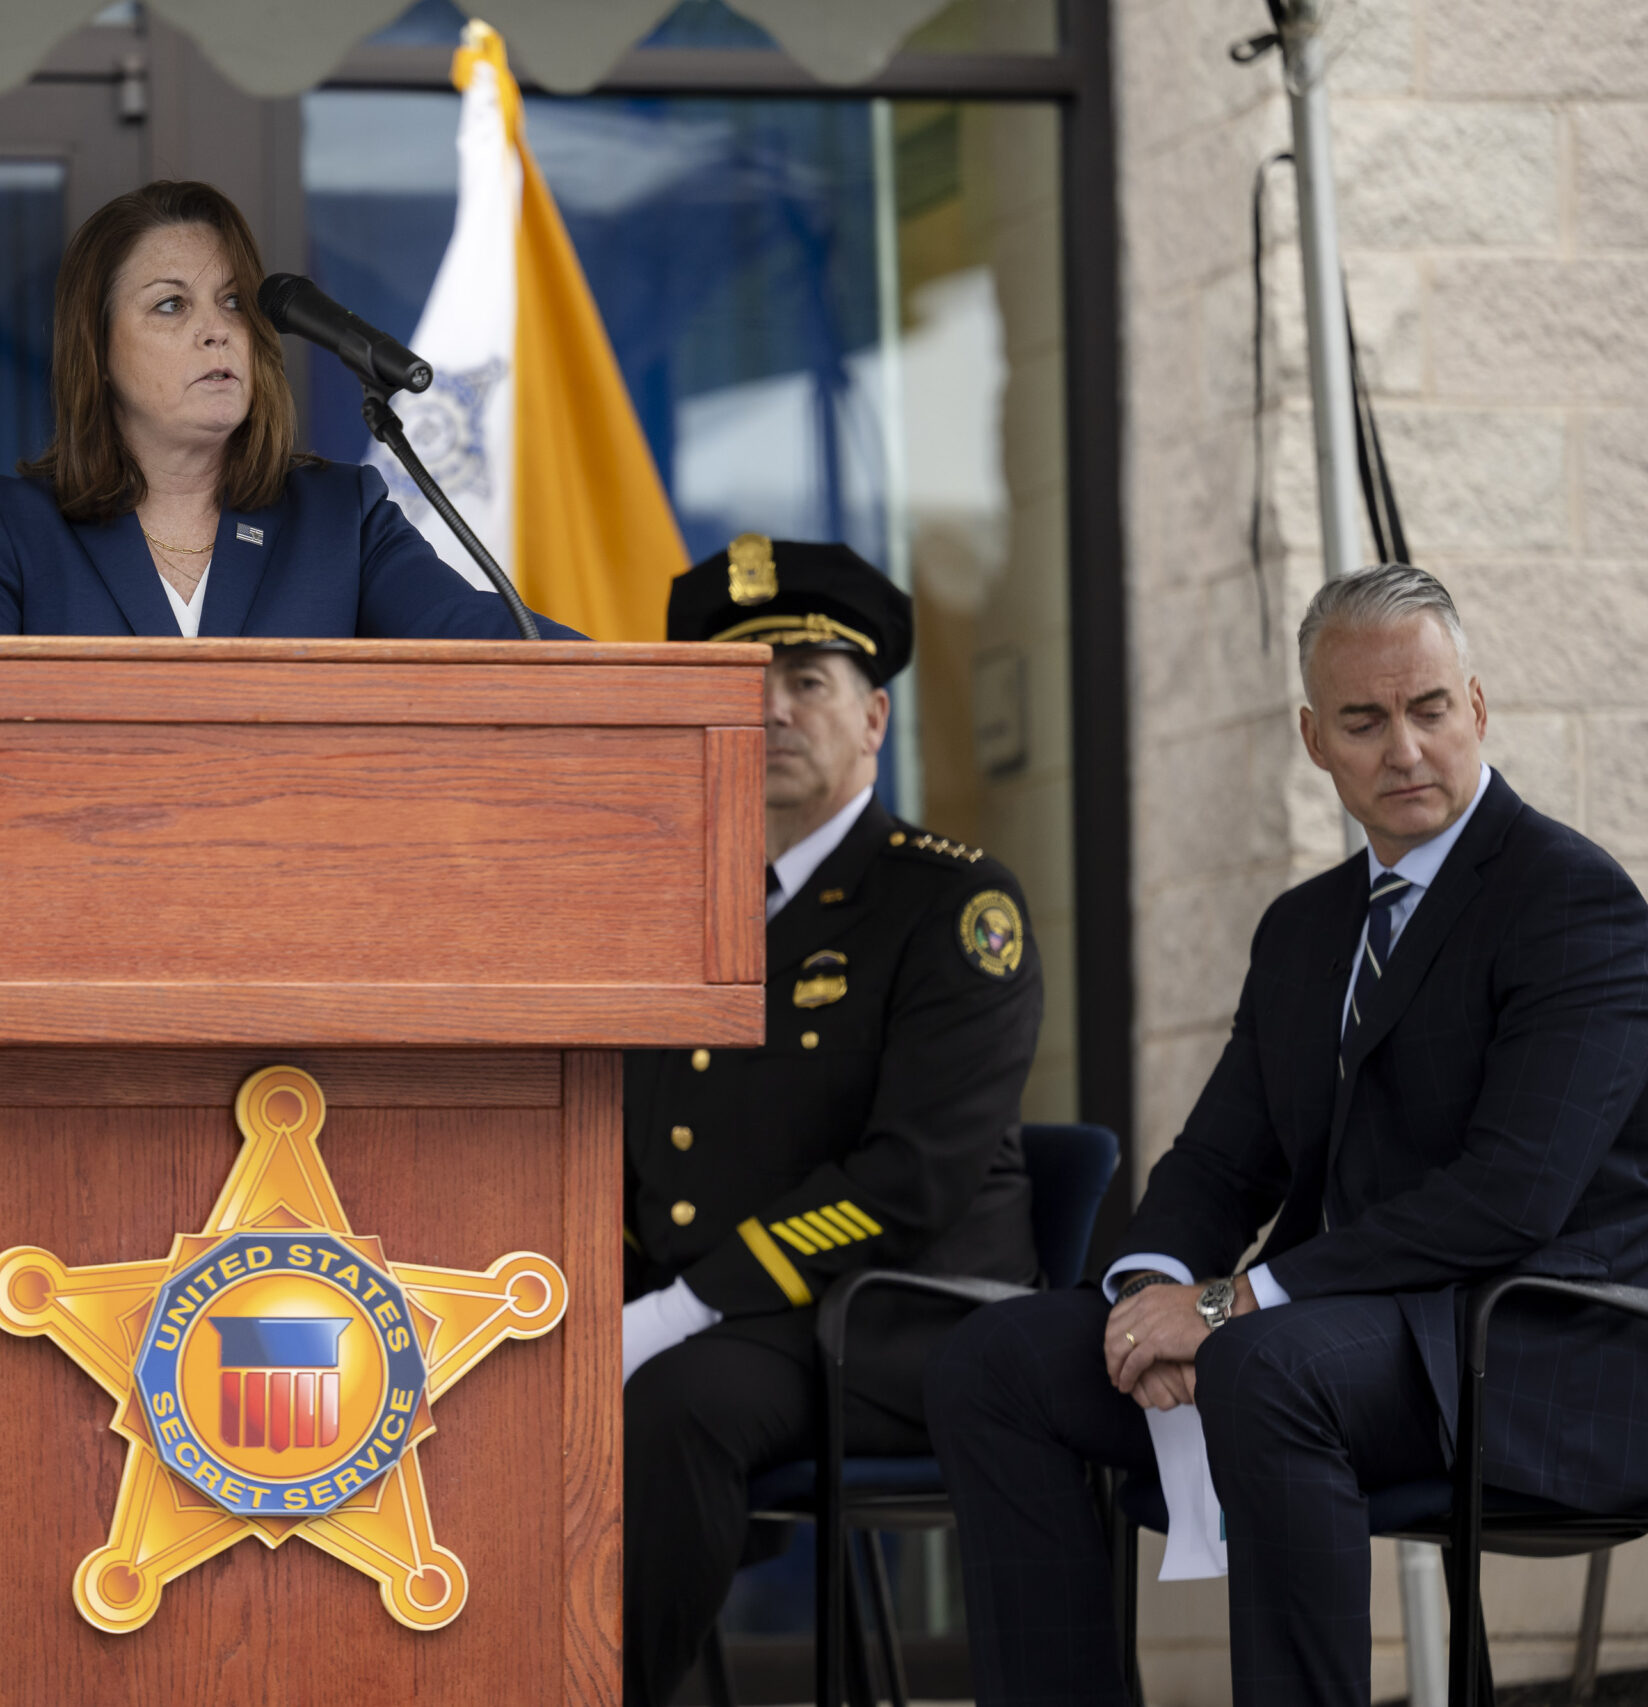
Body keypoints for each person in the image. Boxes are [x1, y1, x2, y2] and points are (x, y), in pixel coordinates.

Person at [928, 564, 1648, 1707]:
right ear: (1315, 739)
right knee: (998, 1360)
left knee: (1265, 1368)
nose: (1403, 749)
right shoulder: (1306, 929)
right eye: (1364, 721)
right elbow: (1220, 1159)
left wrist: (1228, 1304)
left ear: (1478, 707)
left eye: (1427, 710)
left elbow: (1512, 1196)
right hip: (1354, 1334)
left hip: (1535, 1342)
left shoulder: (1573, 901)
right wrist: (1149, 1295)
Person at [621, 536, 1044, 1707]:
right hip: (725, 1315)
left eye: (807, 680)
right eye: (742, 686)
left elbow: (912, 1180)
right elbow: (631, 1158)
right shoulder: (673, 910)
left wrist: (679, 1307)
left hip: (898, 1317)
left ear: (874, 720)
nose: (770, 709)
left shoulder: (953, 905)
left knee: (673, 1405)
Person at [0, 180, 579, 640]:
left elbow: (482, 638)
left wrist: (658, 683)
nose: (217, 330)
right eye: (171, 305)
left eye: (234, 301)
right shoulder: (7, 530)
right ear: (96, 350)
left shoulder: (339, 518)